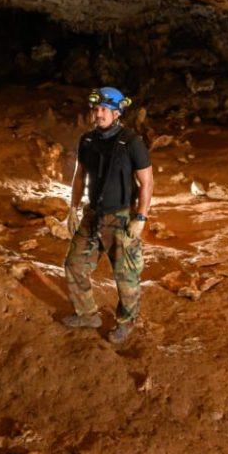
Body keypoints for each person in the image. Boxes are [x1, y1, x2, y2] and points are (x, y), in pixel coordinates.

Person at [61, 86, 153, 344]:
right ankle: (88, 314)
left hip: (122, 217)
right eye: (96, 109)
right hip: (93, 214)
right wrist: (73, 207)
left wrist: (140, 218)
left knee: (126, 276)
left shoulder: (132, 142)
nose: (98, 114)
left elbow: (147, 182)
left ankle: (127, 321)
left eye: (104, 110)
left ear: (116, 113)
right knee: (75, 264)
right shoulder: (87, 141)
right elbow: (80, 176)